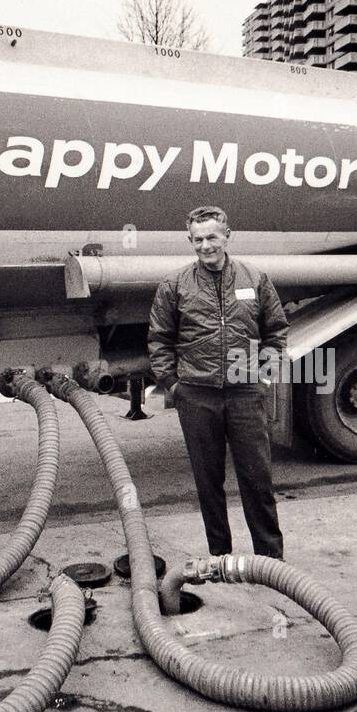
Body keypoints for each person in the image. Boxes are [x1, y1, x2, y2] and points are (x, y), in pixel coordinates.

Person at [147, 205, 288, 559]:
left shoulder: (255, 278)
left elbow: (276, 331)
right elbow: (159, 340)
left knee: (258, 480)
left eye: (212, 237)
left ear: (227, 236)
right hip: (196, 396)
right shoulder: (174, 284)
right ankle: (220, 558)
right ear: (189, 240)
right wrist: (174, 386)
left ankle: (271, 561)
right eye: (197, 239)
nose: (205, 246)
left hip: (245, 392)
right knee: (208, 484)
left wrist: (265, 375)